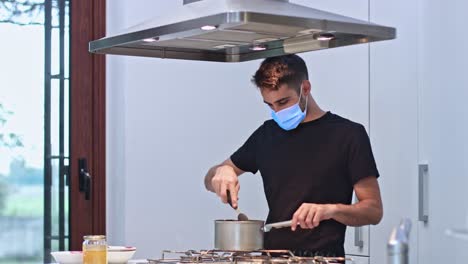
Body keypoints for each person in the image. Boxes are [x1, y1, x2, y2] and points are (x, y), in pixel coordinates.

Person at [204, 54, 382, 257]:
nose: (277, 112)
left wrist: (331, 210)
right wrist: (223, 171)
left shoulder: (349, 135)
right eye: (270, 105)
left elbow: (373, 210)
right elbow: (209, 180)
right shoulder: (266, 134)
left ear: (305, 89)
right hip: (271, 258)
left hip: (323, 259)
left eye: (283, 102)